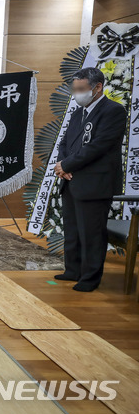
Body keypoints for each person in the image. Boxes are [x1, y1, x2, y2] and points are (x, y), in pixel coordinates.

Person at [54, 67, 127, 292]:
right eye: (74, 89)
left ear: (97, 87)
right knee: (73, 230)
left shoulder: (113, 111)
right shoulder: (79, 112)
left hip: (95, 183)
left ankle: (90, 278)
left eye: (81, 89)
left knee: (92, 233)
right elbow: (65, 143)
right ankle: (72, 270)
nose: (76, 93)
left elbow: (99, 147)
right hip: (71, 180)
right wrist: (62, 166)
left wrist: (66, 165)